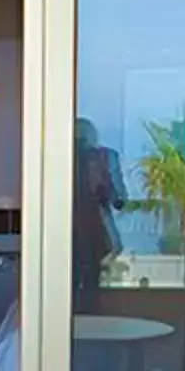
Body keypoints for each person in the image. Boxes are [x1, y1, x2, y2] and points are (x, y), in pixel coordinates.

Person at [70, 115, 127, 295]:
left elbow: (119, 200)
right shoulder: (59, 160)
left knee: (89, 288)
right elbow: (120, 200)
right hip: (74, 235)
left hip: (95, 236)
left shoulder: (104, 158)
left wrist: (104, 184)